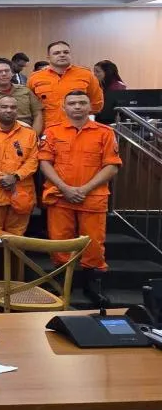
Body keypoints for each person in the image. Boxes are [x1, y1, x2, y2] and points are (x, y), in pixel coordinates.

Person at [39, 90, 121, 300]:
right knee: (58, 241)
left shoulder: (104, 132)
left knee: (93, 243)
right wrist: (65, 188)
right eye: (72, 103)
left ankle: (93, 286)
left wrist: (84, 189)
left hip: (92, 197)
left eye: (82, 103)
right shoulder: (53, 131)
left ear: (90, 106)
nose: (77, 107)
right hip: (59, 195)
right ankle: (60, 283)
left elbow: (111, 166)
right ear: (63, 107)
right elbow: (45, 162)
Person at [0, 95, 39, 236]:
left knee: (17, 236)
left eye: (12, 107)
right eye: (4, 107)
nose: (9, 110)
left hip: (21, 192)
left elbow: (33, 160)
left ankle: (14, 259)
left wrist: (15, 176)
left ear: (17, 111)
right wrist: (2, 177)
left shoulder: (29, 134)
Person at [28, 41, 103, 129]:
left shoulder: (86, 75)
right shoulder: (35, 78)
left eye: (66, 52)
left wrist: (79, 116)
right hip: (47, 131)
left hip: (78, 129)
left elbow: (96, 103)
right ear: (48, 58)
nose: (62, 55)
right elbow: (29, 107)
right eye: (57, 53)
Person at [0, 58, 43, 133]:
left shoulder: (25, 91)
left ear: (12, 74)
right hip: (2, 138)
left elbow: (38, 114)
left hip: (29, 134)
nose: (4, 74)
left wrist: (34, 137)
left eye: (7, 71)